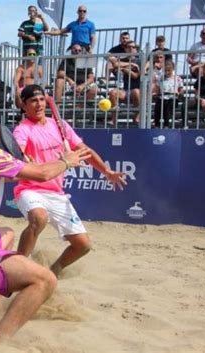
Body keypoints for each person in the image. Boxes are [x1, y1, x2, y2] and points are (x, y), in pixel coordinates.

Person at [0, 101, 91, 344]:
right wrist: (66, 161)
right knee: (45, 281)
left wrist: (29, 165)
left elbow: (21, 174)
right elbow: (42, 174)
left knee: (8, 233)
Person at [13, 85, 127, 277]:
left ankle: (53, 272)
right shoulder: (22, 130)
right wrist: (23, 158)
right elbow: (18, 156)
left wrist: (106, 171)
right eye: (33, 101)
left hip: (56, 193)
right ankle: (16, 269)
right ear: (24, 106)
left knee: (83, 245)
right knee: (39, 218)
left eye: (41, 99)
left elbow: (85, 152)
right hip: (30, 189)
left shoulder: (60, 125)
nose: (39, 104)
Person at [108, 41, 141, 125]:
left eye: (133, 47)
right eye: (129, 47)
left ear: (136, 50)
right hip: (125, 90)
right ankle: (114, 118)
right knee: (112, 93)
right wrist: (131, 64)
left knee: (136, 92)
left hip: (136, 89)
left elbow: (135, 76)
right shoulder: (123, 60)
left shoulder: (140, 61)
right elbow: (115, 64)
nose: (131, 49)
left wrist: (124, 69)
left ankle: (136, 116)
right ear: (125, 49)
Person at [153, 60, 184, 128]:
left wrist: (178, 93)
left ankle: (166, 125)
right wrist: (155, 93)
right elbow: (157, 89)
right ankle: (156, 124)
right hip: (162, 97)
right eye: (165, 70)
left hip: (172, 98)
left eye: (169, 70)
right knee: (157, 106)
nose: (167, 72)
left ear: (172, 69)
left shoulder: (177, 78)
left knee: (166, 106)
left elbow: (181, 90)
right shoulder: (161, 78)